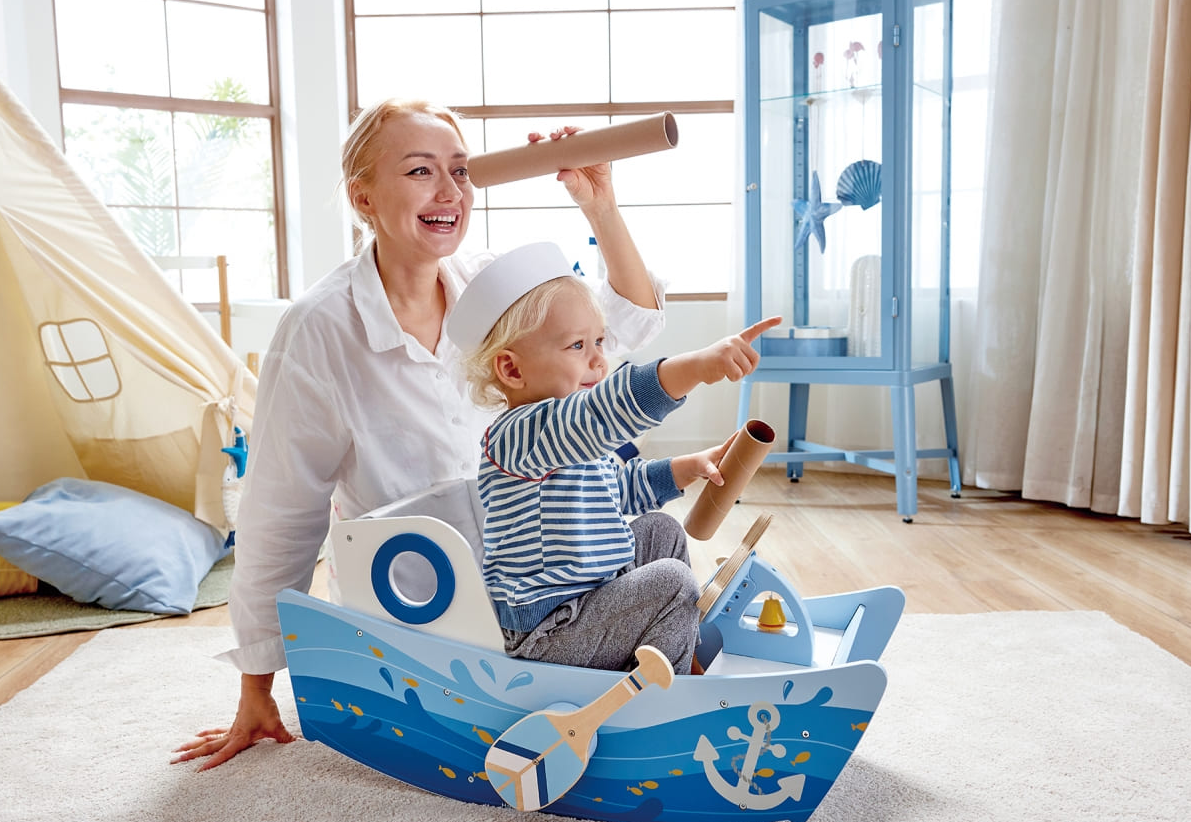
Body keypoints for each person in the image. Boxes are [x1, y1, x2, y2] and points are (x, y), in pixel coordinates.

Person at [173, 99, 669, 771]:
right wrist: (257, 689)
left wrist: (600, 206)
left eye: (460, 171)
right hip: (420, 607)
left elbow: (627, 322)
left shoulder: (493, 291)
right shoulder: (319, 328)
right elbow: (281, 510)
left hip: (539, 582)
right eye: (419, 171)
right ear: (364, 198)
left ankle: (641, 678)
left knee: (659, 547)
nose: (449, 192)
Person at [450, 242, 779, 674]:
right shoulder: (519, 434)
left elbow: (618, 489)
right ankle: (671, 685)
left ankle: (677, 642)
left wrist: (686, 467)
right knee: (673, 581)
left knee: (661, 531)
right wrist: (695, 367)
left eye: (600, 341)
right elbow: (603, 412)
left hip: (590, 602)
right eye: (577, 346)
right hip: (550, 632)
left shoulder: (568, 437)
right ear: (512, 370)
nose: (599, 361)